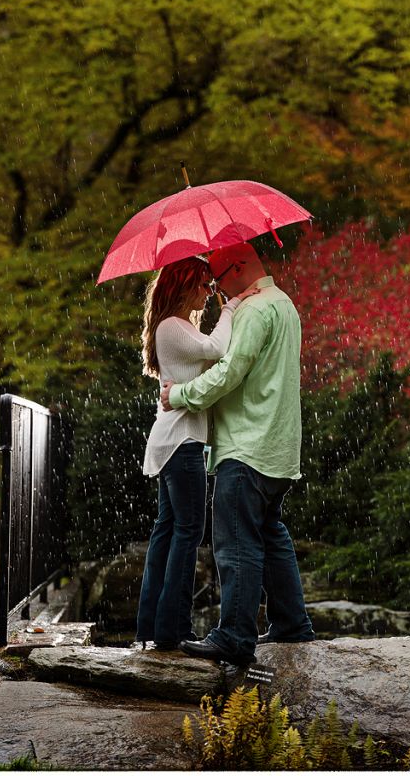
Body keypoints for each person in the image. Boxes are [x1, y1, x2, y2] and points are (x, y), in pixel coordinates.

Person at [160, 241, 315, 667]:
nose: (217, 291)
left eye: (219, 279)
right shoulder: (283, 304)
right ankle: (291, 624)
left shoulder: (253, 310)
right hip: (279, 446)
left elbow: (230, 372)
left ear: (239, 267)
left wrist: (182, 395)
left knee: (235, 543)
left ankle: (234, 636)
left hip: (246, 445)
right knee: (270, 533)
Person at [135, 255, 256, 651]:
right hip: (181, 443)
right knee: (187, 533)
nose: (209, 292)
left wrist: (221, 307)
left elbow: (206, 353)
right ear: (183, 286)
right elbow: (218, 348)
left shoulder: (177, 328)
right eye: (204, 285)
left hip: (177, 442)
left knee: (168, 531)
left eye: (210, 285)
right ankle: (173, 630)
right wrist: (233, 306)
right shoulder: (172, 327)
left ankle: (154, 627)